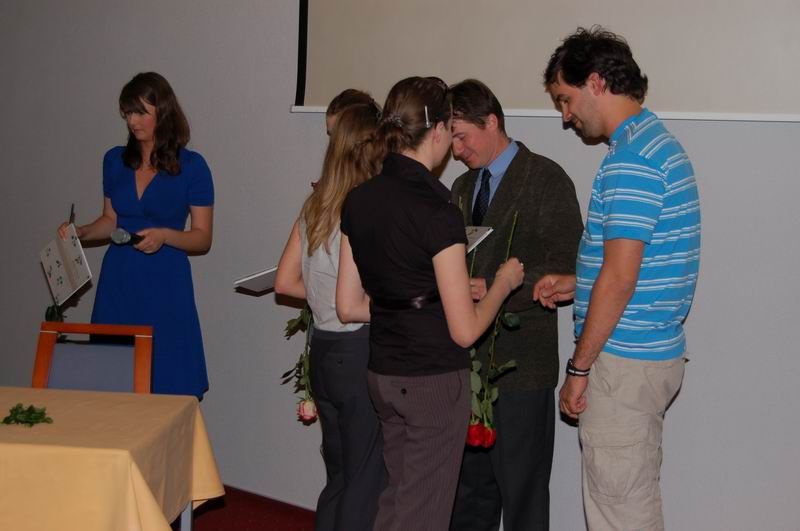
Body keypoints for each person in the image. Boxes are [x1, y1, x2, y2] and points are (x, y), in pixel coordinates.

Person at [336, 76, 525, 531]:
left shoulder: (358, 200)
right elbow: (465, 331)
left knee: (398, 501)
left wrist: (428, 297)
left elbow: (348, 305)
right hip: (432, 381)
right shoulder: (438, 211)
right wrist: (502, 284)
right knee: (424, 514)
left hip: (384, 372)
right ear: (438, 130)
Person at [539, 27, 701, 530]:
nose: (565, 116)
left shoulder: (631, 161)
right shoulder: (655, 144)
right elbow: (636, 264)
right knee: (630, 502)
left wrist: (579, 367)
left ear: (595, 82)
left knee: (620, 515)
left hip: (623, 363)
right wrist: (579, 282)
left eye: (565, 99)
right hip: (648, 353)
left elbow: (620, 278)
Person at [448, 79, 583, 531]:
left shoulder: (546, 178)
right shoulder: (460, 187)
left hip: (522, 368)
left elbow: (568, 266)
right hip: (467, 366)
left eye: (462, 136)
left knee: (523, 496)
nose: (456, 151)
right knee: (468, 496)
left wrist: (497, 289)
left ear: (491, 122)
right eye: (451, 140)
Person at [59, 72, 213, 399]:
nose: (132, 121)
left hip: (165, 281)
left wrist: (165, 235)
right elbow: (110, 220)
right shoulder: (114, 161)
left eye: (141, 112)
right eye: (128, 112)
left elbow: (202, 238)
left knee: (167, 380)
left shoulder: (193, 166)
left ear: (164, 112)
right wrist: (82, 232)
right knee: (113, 381)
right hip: (119, 278)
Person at [274, 98, 386, 531]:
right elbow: (352, 303)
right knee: (365, 479)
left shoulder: (316, 203)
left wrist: (324, 297)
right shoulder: (366, 207)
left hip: (323, 349)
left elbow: (285, 283)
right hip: (358, 350)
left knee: (338, 476)